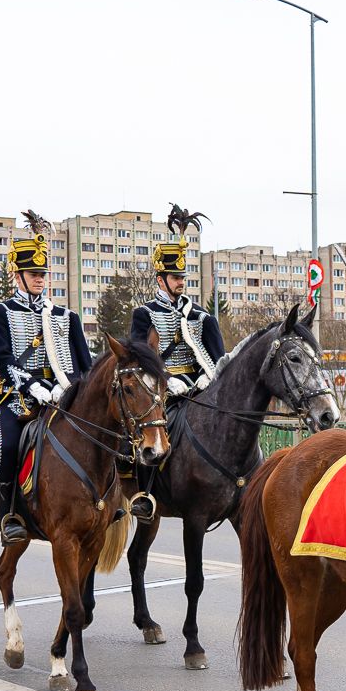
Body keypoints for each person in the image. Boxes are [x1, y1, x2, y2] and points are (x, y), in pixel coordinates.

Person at [0, 213, 93, 546]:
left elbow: (84, 364)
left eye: (43, 274)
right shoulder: (1, 312)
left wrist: (69, 389)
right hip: (18, 398)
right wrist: (30, 384)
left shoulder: (65, 316)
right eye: (33, 274)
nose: (40, 280)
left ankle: (106, 501)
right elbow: (2, 358)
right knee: (7, 446)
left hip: (61, 395)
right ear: (17, 275)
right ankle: (9, 516)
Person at [125, 203, 224, 521]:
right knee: (153, 429)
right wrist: (169, 380)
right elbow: (140, 360)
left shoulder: (201, 317)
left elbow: (218, 358)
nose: (181, 281)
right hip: (163, 391)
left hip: (198, 389)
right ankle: (145, 493)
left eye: (182, 276)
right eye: (174, 276)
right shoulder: (145, 314)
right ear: (160, 278)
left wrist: (205, 379)